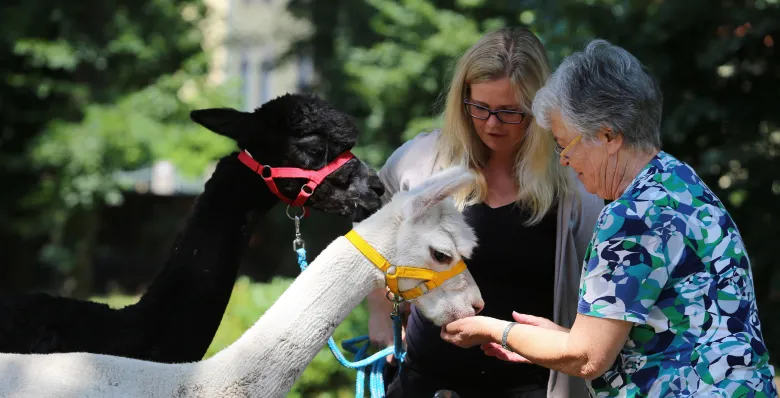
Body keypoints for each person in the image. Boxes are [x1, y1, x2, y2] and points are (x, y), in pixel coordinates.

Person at [440, 39, 778, 397]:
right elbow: (664, 333)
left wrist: (495, 330)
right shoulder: (678, 182)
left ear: (608, 135)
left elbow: (588, 357)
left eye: (564, 144)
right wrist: (553, 341)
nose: (564, 161)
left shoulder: (630, 217)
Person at [367, 27, 604, 398]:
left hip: (528, 387)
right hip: (423, 382)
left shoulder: (574, 183)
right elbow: (369, 220)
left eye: (510, 112)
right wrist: (382, 313)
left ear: (540, 111)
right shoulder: (423, 161)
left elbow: (600, 292)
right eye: (480, 108)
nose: (492, 124)